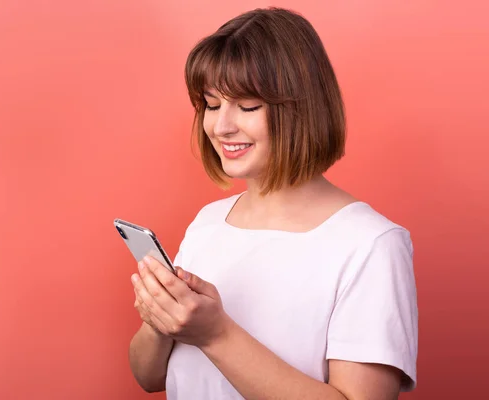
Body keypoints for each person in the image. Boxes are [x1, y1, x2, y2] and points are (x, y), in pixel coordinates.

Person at [128, 7, 418, 400]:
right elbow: (149, 378)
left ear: (301, 108)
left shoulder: (370, 243)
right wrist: (160, 320)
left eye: (247, 106)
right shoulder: (209, 222)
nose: (222, 126)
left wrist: (215, 334)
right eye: (212, 104)